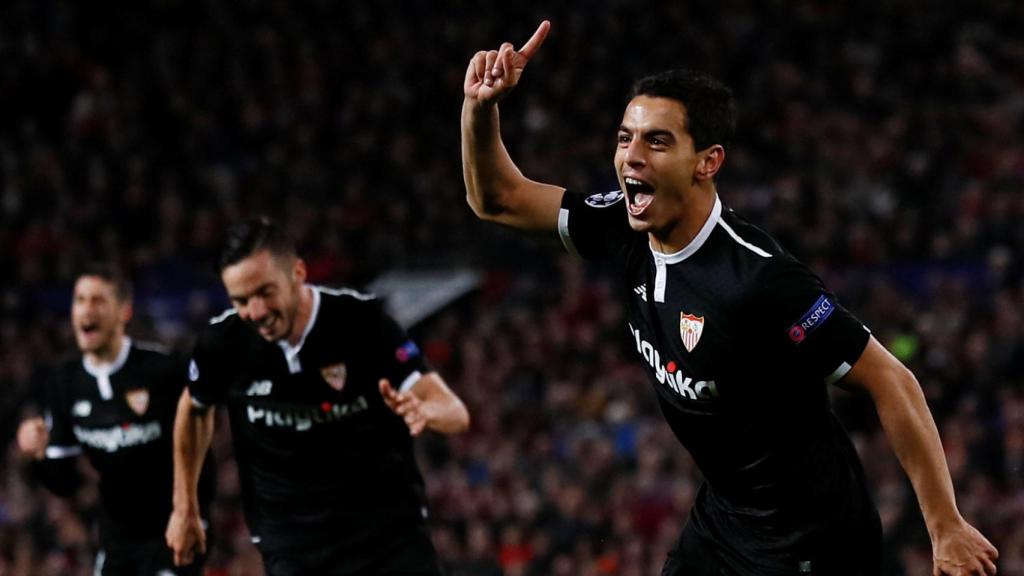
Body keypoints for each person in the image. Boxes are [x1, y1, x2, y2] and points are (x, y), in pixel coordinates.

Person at [461, 21, 999, 576]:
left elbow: (890, 379)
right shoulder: (622, 226)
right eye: (625, 138)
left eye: (657, 140)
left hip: (811, 542)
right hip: (724, 522)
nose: (631, 156)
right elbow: (497, 200)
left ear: (708, 162)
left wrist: (945, 525)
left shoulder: (760, 281)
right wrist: (480, 109)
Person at [165, 217, 470, 575]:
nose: (256, 312)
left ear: (297, 273)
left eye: (265, 292)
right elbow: (194, 407)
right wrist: (184, 506)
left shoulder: (360, 322)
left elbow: (454, 412)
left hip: (387, 533)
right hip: (293, 544)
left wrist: (424, 410)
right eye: (241, 300)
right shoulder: (224, 343)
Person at [16, 264, 213, 576]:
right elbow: (65, 483)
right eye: (79, 300)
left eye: (98, 300)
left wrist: (192, 514)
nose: (86, 310)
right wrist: (39, 454)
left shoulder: (162, 370)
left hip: (174, 528)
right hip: (117, 541)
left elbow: (201, 447)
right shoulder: (64, 383)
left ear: (124, 311)